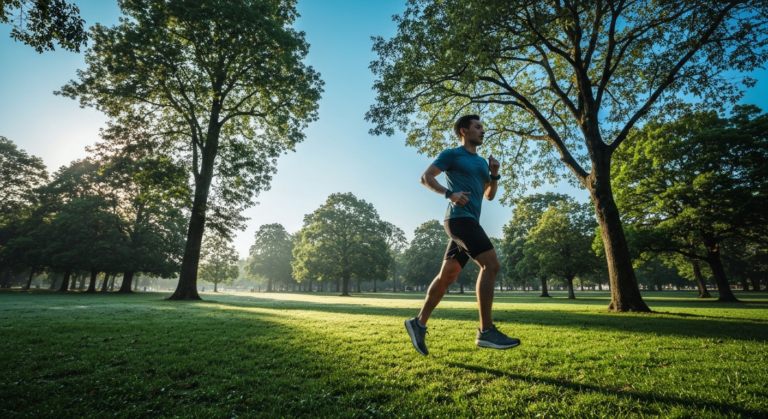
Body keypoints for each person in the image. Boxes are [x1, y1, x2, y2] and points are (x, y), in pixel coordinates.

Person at [404, 115, 520, 356]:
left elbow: (489, 195)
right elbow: (426, 177)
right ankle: (486, 331)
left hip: (469, 221)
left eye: (483, 127)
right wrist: (449, 193)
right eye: (478, 127)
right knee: (491, 265)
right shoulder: (452, 154)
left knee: (447, 276)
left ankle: (418, 323)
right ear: (464, 131)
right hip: (459, 220)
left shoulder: (480, 163)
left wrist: (495, 174)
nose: (482, 131)